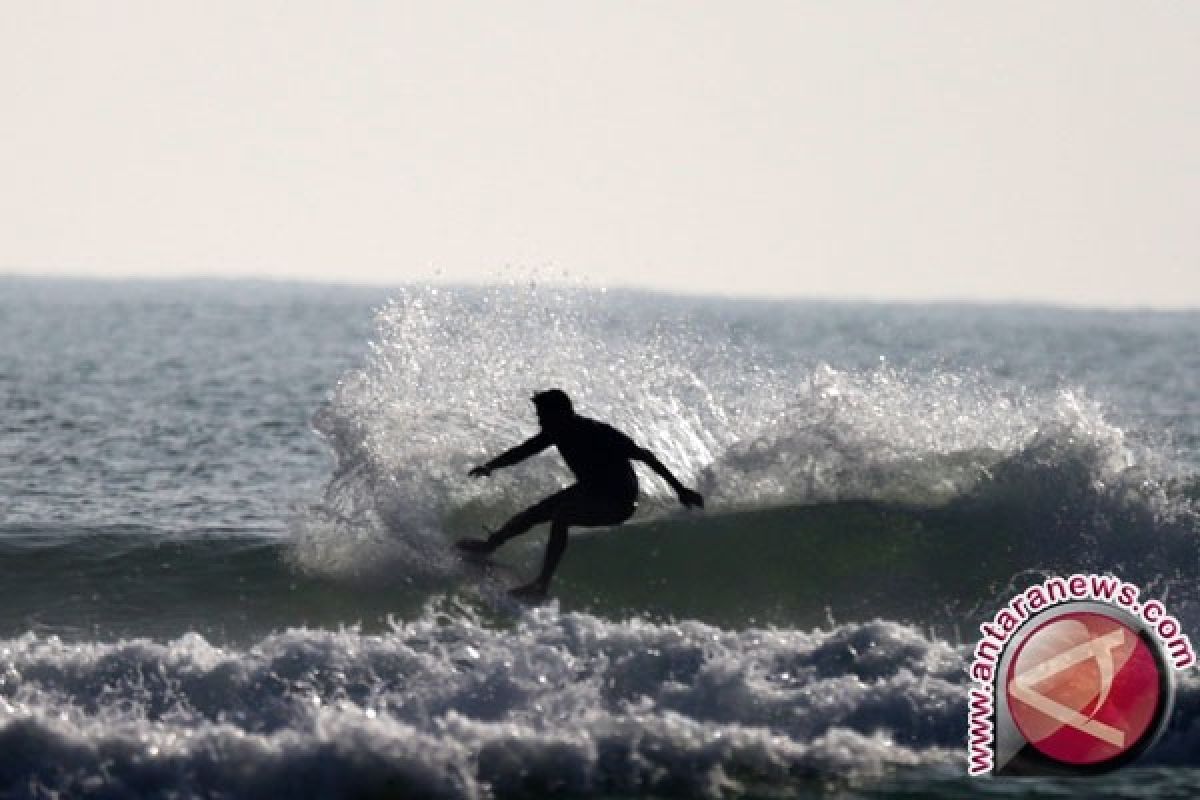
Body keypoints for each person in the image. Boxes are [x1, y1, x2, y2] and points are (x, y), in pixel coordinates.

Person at [457, 388, 704, 600]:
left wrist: (680, 489)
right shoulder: (556, 432)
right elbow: (524, 450)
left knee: (562, 516)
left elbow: (645, 456)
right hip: (590, 491)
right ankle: (489, 546)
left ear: (562, 413)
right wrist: (491, 466)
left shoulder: (599, 432)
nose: (541, 422)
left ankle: (541, 584)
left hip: (619, 501)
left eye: (544, 416)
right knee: (533, 514)